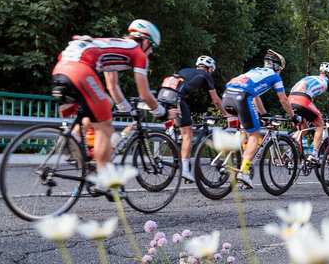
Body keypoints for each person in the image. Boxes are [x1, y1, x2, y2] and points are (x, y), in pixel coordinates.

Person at [51, 19, 178, 183]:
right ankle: (103, 179)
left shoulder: (115, 45)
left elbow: (112, 86)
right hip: (81, 69)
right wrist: (163, 113)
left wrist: (126, 109)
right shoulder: (138, 53)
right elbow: (145, 94)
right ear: (146, 41)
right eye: (152, 47)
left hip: (62, 67)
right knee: (106, 128)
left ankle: (78, 141)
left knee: (106, 104)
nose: (151, 52)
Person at [221, 50, 299, 188]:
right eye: (280, 69)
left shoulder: (255, 71)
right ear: (277, 67)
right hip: (242, 97)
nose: (280, 72)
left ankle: (235, 161)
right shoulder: (275, 76)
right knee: (254, 136)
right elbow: (284, 100)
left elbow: (256, 97)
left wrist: (263, 114)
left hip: (227, 95)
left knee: (245, 130)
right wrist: (293, 116)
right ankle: (244, 171)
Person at [157, 55, 227, 182]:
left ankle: (170, 142)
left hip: (162, 94)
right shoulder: (206, 75)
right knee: (187, 134)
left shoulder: (186, 71)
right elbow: (216, 100)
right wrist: (226, 114)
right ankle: (185, 170)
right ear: (210, 69)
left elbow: (183, 92)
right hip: (176, 97)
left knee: (177, 125)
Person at [288, 62, 329, 165]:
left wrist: (318, 113)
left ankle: (288, 151)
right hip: (302, 100)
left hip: (290, 101)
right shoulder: (328, 82)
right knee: (320, 125)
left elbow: (310, 101)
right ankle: (314, 154)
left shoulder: (310, 78)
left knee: (303, 128)